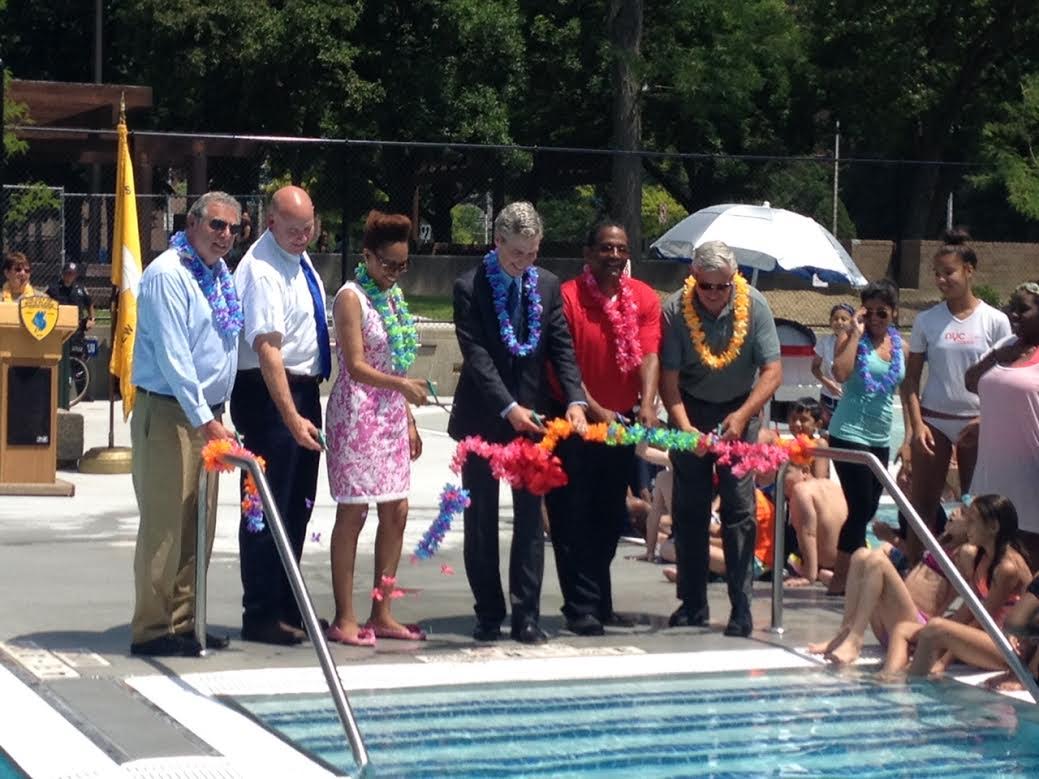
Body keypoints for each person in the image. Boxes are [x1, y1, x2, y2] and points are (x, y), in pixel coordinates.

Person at [448, 201, 588, 645]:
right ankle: (489, 614)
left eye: (532, 253)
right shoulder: (469, 286)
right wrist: (507, 407)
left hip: (534, 419)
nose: (525, 262)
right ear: (497, 242)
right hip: (484, 416)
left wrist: (576, 400)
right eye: (516, 254)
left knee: (530, 521)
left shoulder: (546, 285)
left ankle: (527, 615)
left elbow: (561, 347)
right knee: (481, 520)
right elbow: (477, 355)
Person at [129, 191, 242, 656]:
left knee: (199, 523)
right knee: (166, 525)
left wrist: (217, 415)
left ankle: (185, 621)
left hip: (207, 415)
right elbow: (174, 358)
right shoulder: (167, 275)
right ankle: (153, 629)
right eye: (217, 225)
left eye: (234, 228)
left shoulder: (218, 275)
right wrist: (204, 420)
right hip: (170, 411)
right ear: (191, 223)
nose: (226, 235)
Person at [543, 220, 661, 636]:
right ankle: (580, 607)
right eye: (606, 248)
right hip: (573, 420)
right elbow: (563, 365)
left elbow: (650, 354)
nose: (615, 256)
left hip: (620, 424)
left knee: (610, 516)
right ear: (588, 253)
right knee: (572, 516)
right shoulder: (567, 297)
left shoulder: (643, 297)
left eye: (621, 248)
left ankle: (600, 602)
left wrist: (646, 403)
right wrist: (595, 409)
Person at [660, 240, 782, 637]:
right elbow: (668, 380)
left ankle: (741, 607)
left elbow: (772, 372)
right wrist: (684, 427)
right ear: (693, 278)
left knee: (739, 510)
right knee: (689, 509)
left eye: (721, 286)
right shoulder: (675, 309)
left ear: (734, 280)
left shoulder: (755, 305)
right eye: (705, 285)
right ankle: (692, 603)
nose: (713, 294)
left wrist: (743, 415)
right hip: (690, 408)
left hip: (739, 410)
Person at [231, 185, 330, 646]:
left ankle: (290, 605)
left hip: (301, 392)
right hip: (270, 396)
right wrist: (290, 416)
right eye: (293, 229)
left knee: (296, 505)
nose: (302, 236)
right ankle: (261, 613)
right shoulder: (261, 269)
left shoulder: (297, 257)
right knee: (266, 507)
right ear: (271, 222)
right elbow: (268, 349)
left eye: (308, 227)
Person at [324, 211, 428, 647]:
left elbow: (397, 362)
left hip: (389, 414)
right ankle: (344, 616)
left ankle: (382, 611)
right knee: (354, 512)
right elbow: (355, 365)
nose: (394, 273)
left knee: (396, 510)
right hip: (357, 413)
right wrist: (402, 387)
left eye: (402, 265)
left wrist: (407, 417)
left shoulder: (392, 297)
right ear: (367, 256)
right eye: (388, 264)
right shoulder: (351, 297)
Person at [900, 230, 1011, 566]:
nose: (941, 280)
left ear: (969, 270)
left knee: (978, 508)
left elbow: (1005, 378)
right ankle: (914, 573)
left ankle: (977, 578)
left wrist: (986, 420)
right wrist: (916, 425)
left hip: (977, 422)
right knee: (922, 504)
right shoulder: (927, 320)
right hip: (934, 421)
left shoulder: (995, 321)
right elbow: (910, 380)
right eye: (937, 274)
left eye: (948, 272)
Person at [807, 501, 975, 666]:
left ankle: (856, 639)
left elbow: (973, 594)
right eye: (958, 509)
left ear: (973, 526)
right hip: (891, 623)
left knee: (878, 561)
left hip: (915, 627)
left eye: (963, 513)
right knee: (860, 555)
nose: (955, 512)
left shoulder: (965, 552)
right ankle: (844, 634)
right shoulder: (943, 540)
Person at [826, 279, 907, 595]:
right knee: (860, 506)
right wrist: (855, 333)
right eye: (868, 312)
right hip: (848, 432)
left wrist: (909, 436)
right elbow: (840, 374)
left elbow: (907, 392)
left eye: (881, 313)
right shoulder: (850, 339)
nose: (874, 319)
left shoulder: (902, 347)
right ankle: (840, 579)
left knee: (869, 507)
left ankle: (853, 574)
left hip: (880, 437)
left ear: (894, 312)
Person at [901, 494, 1031, 677]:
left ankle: (912, 684)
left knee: (936, 629)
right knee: (907, 629)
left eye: (972, 521)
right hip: (990, 638)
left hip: (1010, 648)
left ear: (993, 527)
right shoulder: (983, 557)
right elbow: (969, 609)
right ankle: (894, 680)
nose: (967, 526)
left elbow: (984, 619)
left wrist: (944, 661)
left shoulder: (1007, 568)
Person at [966, 281, 1039, 564]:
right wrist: (997, 357)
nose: (1014, 314)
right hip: (992, 472)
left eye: (1023, 309)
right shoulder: (1005, 345)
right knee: (985, 557)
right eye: (1012, 308)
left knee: (1026, 561)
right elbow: (971, 381)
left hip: (1029, 474)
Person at [812, 303, 855, 428]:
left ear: (852, 322)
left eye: (844, 319)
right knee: (826, 430)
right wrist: (827, 383)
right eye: (835, 319)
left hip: (849, 399)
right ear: (830, 322)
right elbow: (815, 368)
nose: (839, 322)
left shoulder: (856, 343)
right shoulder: (824, 342)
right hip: (828, 397)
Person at [46, 262, 95, 332]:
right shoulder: (53, 288)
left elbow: (89, 303)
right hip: (58, 326)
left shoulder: (81, 289)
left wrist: (91, 319)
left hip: (77, 327)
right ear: (63, 273)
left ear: (76, 275)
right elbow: (44, 301)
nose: (70, 276)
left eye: (73, 274)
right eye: (68, 273)